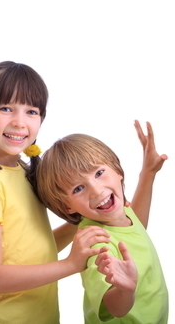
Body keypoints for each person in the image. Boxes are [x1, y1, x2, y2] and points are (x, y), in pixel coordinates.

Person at [0, 61, 112, 324]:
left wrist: (83, 221)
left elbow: (33, 251)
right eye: (6, 108)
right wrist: (70, 265)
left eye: (31, 111)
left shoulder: (22, 170)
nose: (19, 122)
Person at [35, 123, 168, 324]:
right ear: (67, 206)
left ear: (117, 170)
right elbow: (114, 308)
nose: (96, 190)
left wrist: (148, 173)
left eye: (98, 173)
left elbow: (136, 228)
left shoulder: (120, 212)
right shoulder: (96, 244)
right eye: (78, 188)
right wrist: (125, 290)